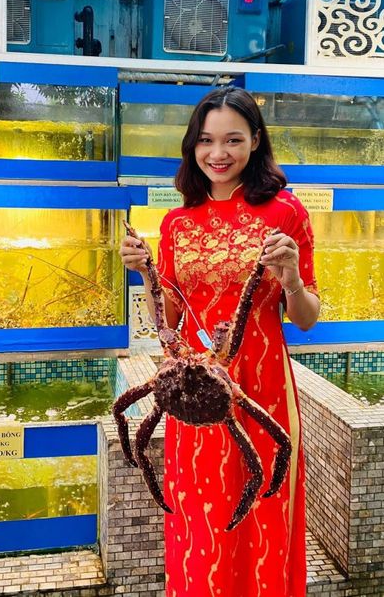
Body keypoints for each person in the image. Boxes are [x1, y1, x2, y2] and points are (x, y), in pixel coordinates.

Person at [120, 86, 320, 597]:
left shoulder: (285, 212)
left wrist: (293, 279)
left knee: (262, 507)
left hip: (260, 384)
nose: (218, 153)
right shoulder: (177, 222)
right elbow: (169, 320)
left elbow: (306, 319)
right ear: (193, 146)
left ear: (256, 140)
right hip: (192, 390)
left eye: (233, 139)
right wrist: (145, 274)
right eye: (206, 140)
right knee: (198, 516)